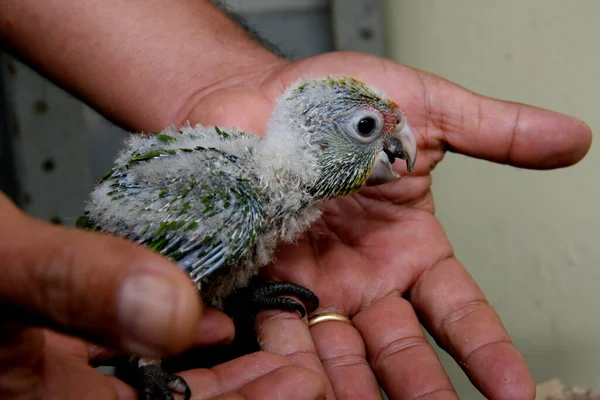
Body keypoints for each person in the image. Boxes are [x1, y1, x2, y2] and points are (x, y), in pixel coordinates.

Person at [0, 1, 592, 399]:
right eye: (366, 129)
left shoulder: (276, 190)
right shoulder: (234, 196)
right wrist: (144, 362)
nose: (399, 149)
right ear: (311, 136)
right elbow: (133, 276)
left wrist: (228, 287)